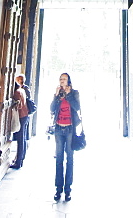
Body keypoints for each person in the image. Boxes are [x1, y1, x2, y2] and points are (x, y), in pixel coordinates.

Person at [50, 72, 81, 202]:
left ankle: (68, 190)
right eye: (60, 79)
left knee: (70, 159)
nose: (62, 81)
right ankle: (58, 189)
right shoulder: (57, 93)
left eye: (64, 79)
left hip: (69, 130)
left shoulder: (74, 93)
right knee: (59, 160)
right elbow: (52, 109)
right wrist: (57, 96)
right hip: (58, 129)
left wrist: (68, 95)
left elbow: (77, 107)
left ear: (68, 81)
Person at [10, 74, 31, 169]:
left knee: (20, 138)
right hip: (24, 115)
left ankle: (19, 161)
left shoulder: (18, 92)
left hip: (21, 116)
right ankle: (20, 159)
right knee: (22, 138)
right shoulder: (22, 90)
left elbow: (18, 105)